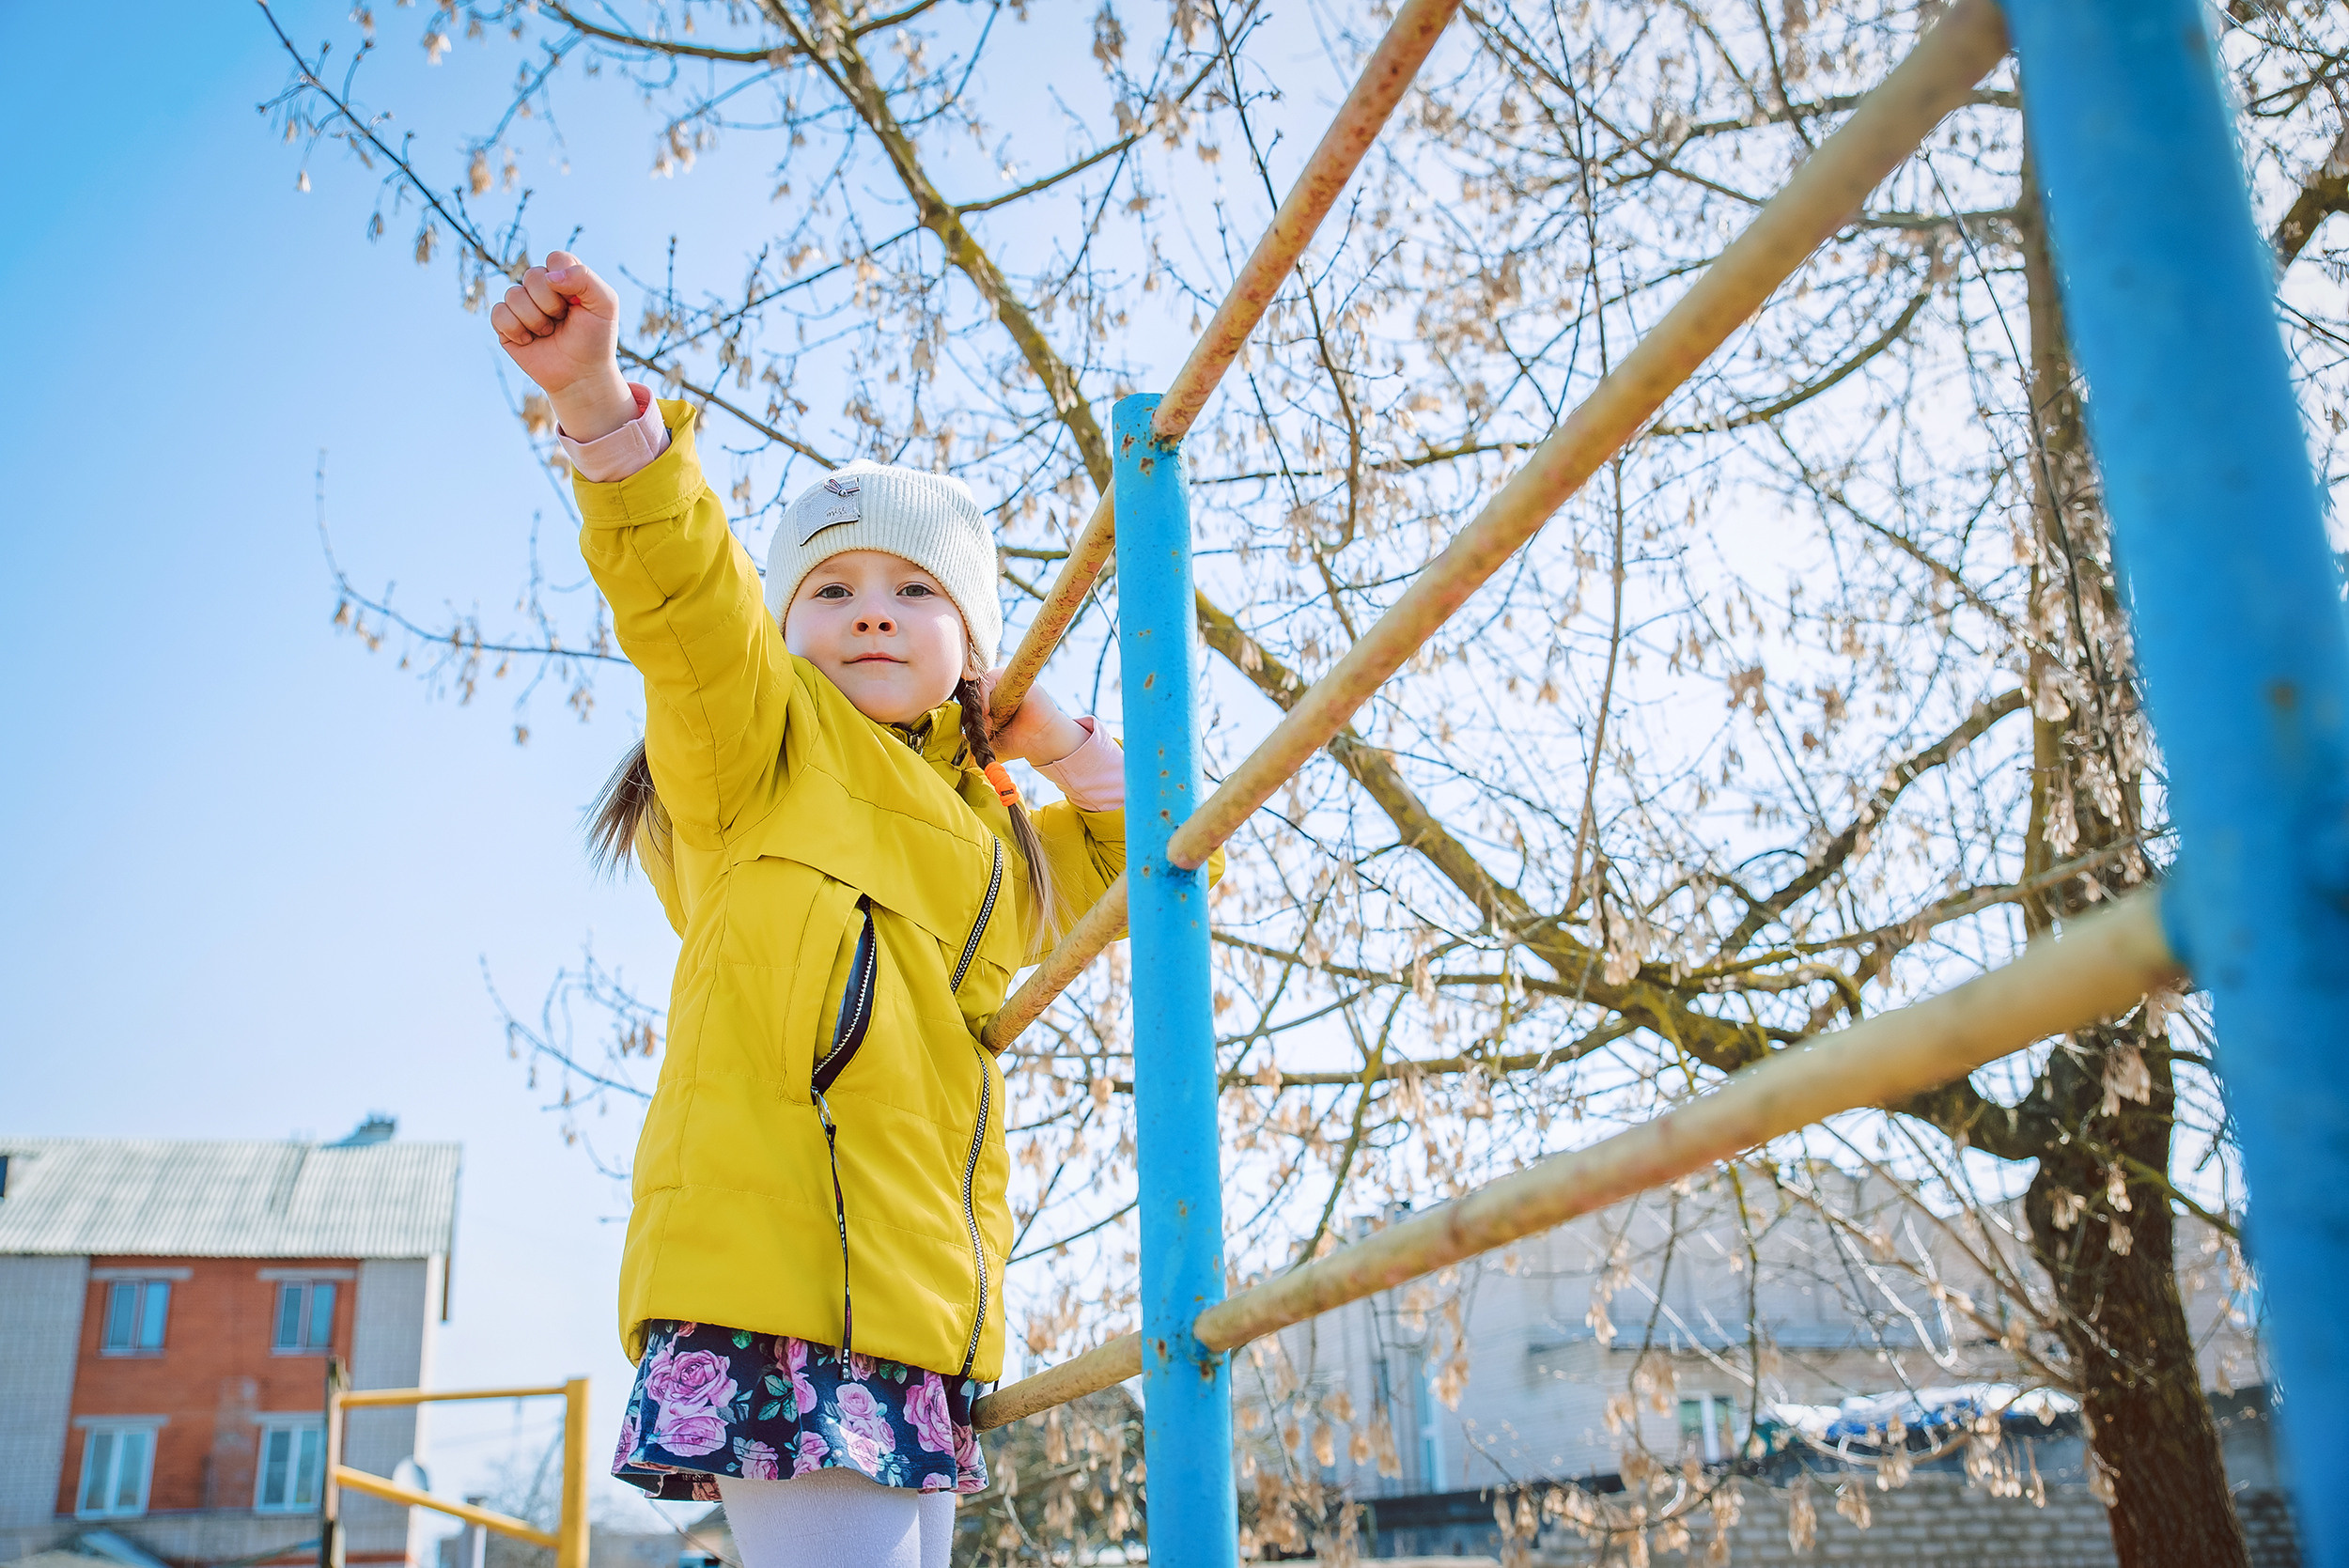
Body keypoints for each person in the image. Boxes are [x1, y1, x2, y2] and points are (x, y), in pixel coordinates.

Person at [492, 250, 1147, 1568]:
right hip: (776, 1287)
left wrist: (1056, 732)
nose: (871, 616)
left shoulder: (994, 841)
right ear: (786, 628)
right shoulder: (756, 751)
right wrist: (600, 409)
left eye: (916, 591)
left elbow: (1161, 858)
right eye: (832, 590)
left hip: (921, 1307)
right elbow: (685, 603)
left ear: (971, 637)